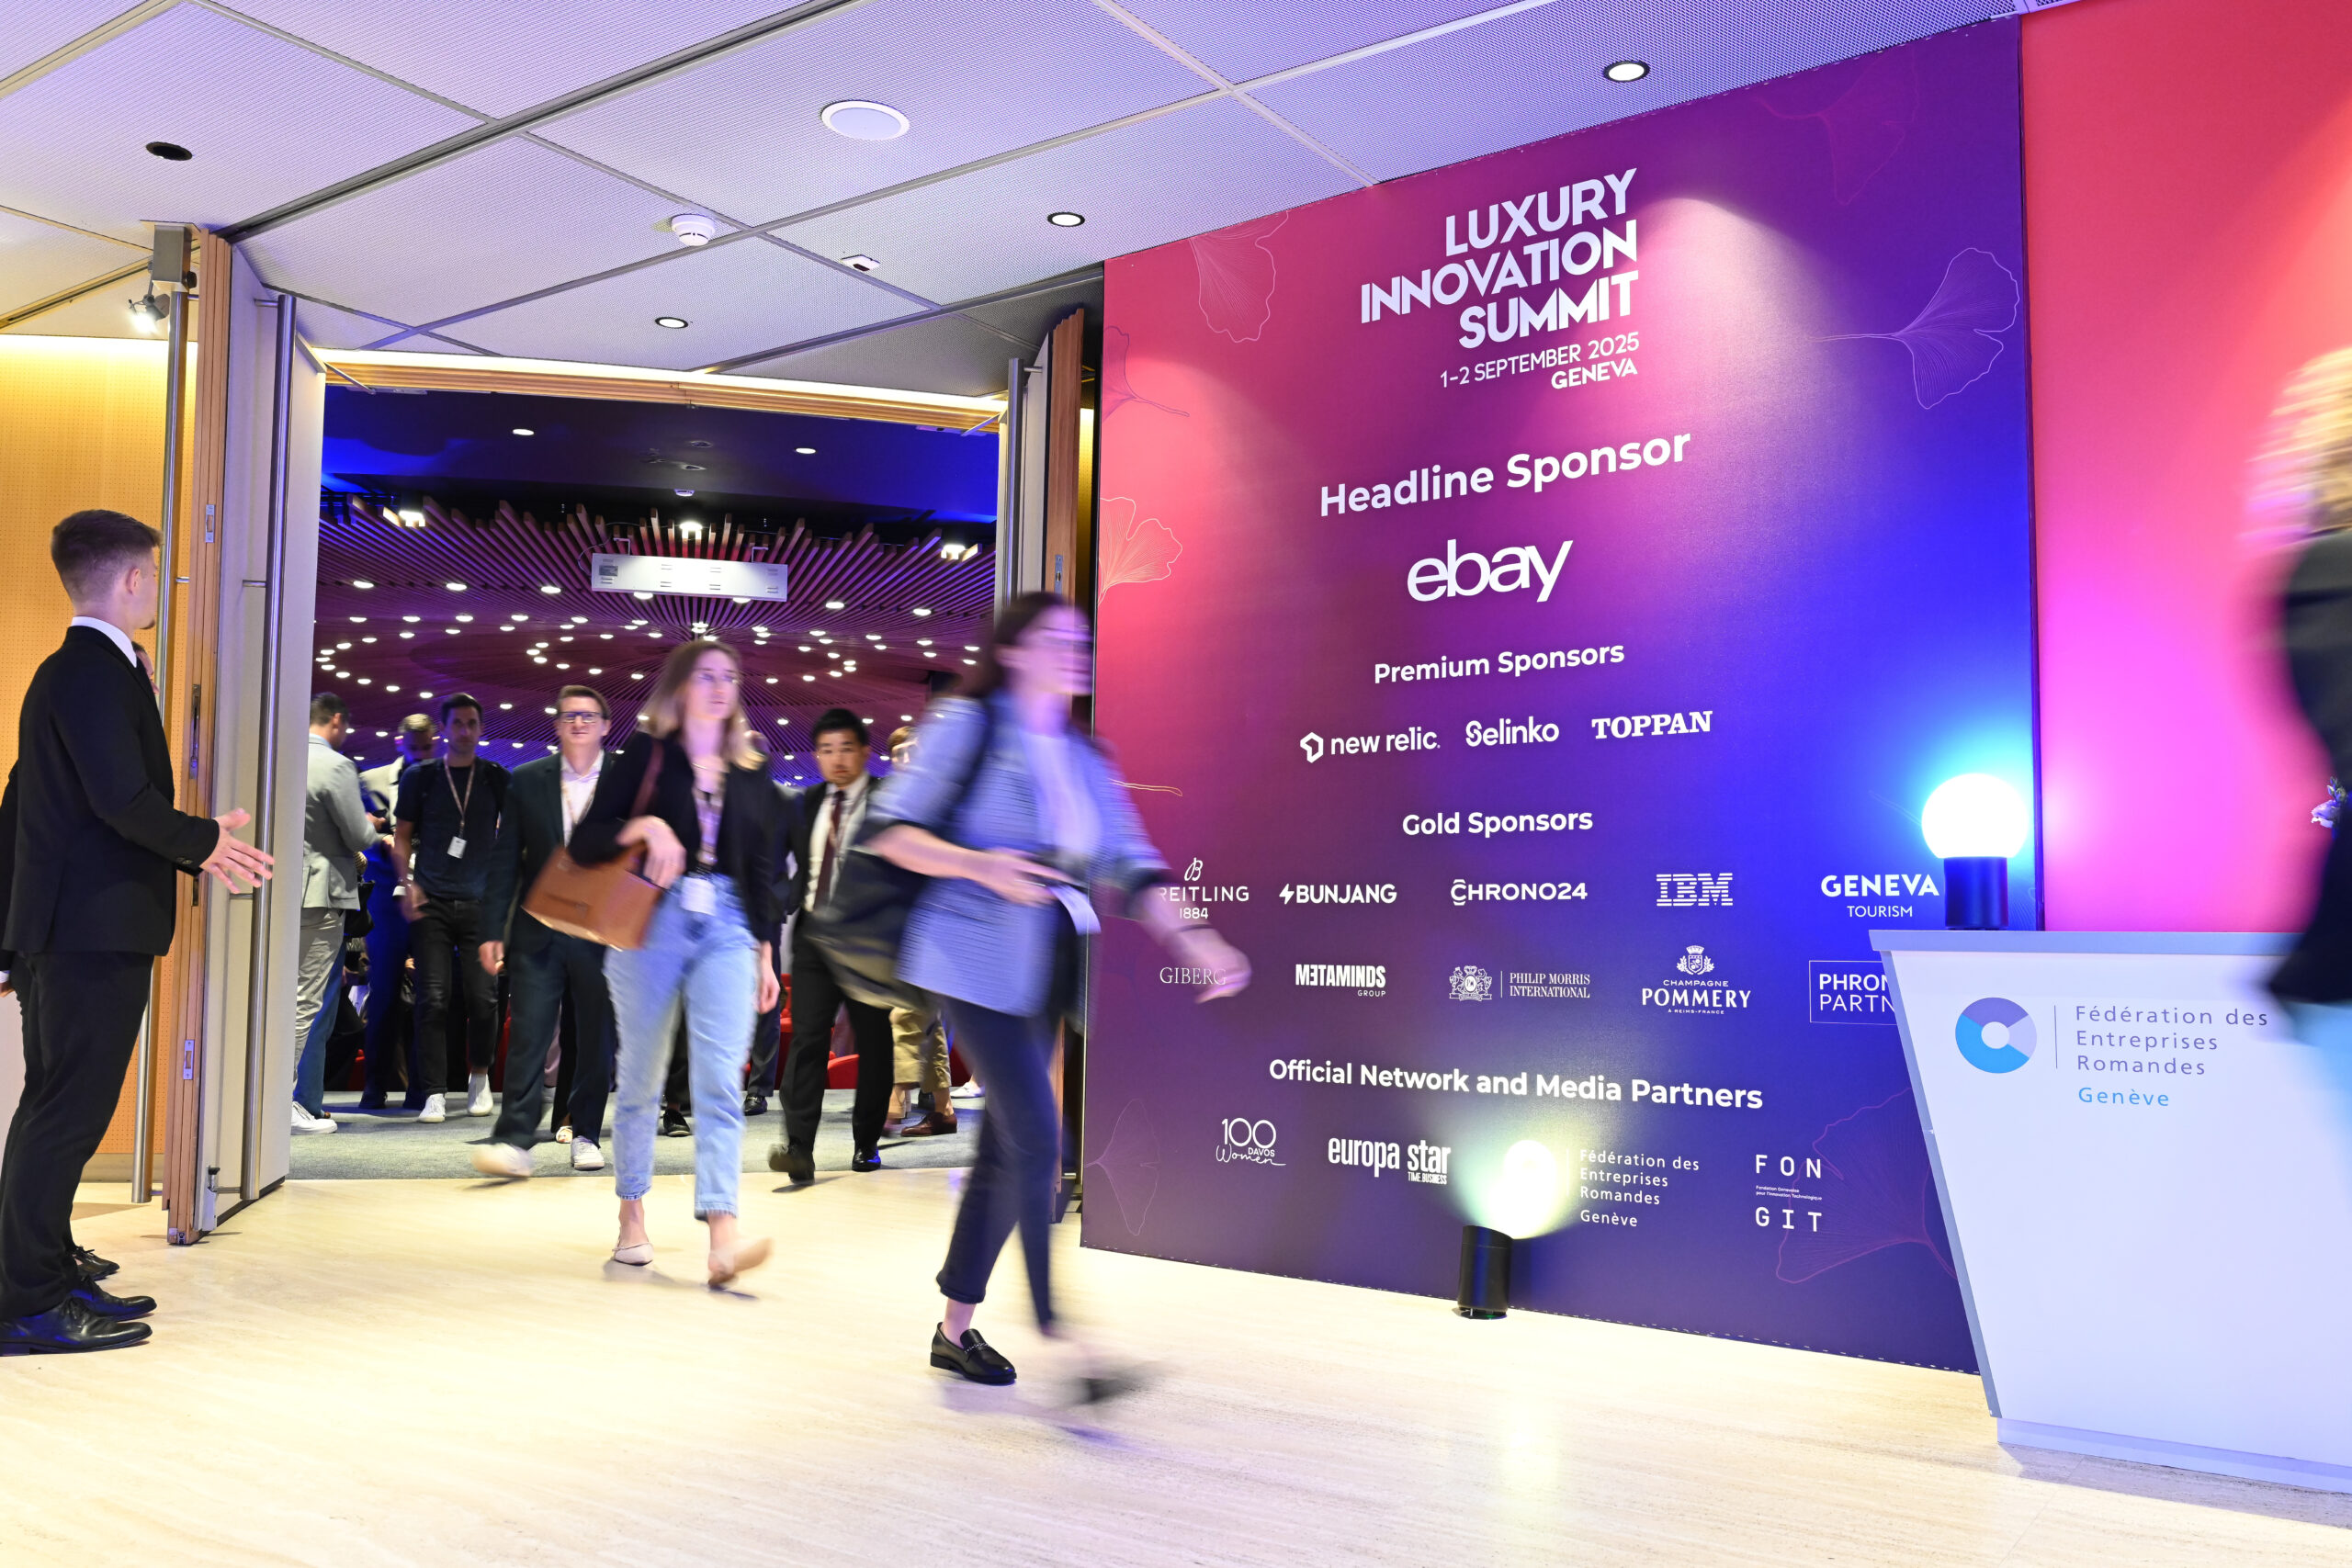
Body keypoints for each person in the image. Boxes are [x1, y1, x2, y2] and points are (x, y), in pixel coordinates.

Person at [865, 592, 1249, 1389]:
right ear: (1011, 650)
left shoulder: (1084, 755)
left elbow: (1132, 862)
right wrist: (980, 865)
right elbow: (890, 830)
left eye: (1082, 639)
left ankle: (953, 1330)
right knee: (1040, 1139)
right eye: (1055, 638)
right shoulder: (969, 724)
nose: (1075, 650)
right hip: (970, 956)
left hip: (1046, 966)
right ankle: (1065, 1336)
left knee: (1006, 1146)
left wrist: (1194, 937)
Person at [0, 509, 274, 1354]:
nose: (158, 586)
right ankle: (28, 1302)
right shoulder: (90, 672)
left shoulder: (85, 669)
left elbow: (32, 798)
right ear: (130, 578)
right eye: (154, 573)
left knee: (54, 1107)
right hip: (88, 929)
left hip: (73, 926)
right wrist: (207, 843)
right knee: (65, 1114)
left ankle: (43, 1271)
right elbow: (121, 799)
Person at [570, 639, 784, 1287]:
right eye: (706, 675)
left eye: (730, 677)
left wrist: (766, 952)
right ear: (681, 687)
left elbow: (762, 870)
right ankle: (631, 1215)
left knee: (720, 1078)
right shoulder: (647, 754)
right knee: (642, 1076)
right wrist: (646, 828)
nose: (720, 686)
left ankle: (723, 1233)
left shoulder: (750, 768)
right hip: (651, 918)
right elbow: (585, 841)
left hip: (729, 925)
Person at [474, 686, 619, 1177]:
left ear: (606, 726)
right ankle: (515, 1138)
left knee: (595, 1037)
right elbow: (504, 861)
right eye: (569, 715)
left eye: (589, 716)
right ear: (557, 725)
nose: (578, 722)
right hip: (538, 927)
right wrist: (492, 929)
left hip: (601, 932)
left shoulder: (625, 781)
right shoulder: (527, 779)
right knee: (529, 1033)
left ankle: (586, 1133)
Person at [769, 709, 896, 1181]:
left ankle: (867, 1142)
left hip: (869, 941)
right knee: (807, 1040)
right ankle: (798, 1148)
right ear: (816, 756)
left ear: (864, 751)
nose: (837, 759)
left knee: (874, 1042)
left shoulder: (887, 800)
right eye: (826, 750)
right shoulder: (807, 802)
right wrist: (780, 898)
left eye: (845, 748)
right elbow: (781, 859)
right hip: (814, 938)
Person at [392, 694, 509, 1123]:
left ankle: (479, 1076)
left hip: (481, 903)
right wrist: (406, 883)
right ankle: (434, 1092)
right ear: (444, 729)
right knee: (433, 998)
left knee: (483, 997)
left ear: (481, 729)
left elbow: (513, 837)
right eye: (457, 723)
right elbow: (402, 836)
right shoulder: (421, 777)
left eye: (471, 723)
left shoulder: (495, 777)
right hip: (431, 902)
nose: (464, 730)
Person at [293, 693, 374, 1134]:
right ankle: (288, 1103)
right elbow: (358, 834)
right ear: (337, 721)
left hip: (277, 892)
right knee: (306, 1001)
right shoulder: (336, 765)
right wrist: (373, 831)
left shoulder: (280, 756)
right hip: (320, 894)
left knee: (277, 998)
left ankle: (274, 1099)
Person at [356, 715, 435, 1111]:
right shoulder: (369, 780)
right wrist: (380, 839)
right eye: (414, 747)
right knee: (384, 994)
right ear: (400, 742)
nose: (420, 754)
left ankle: (421, 1089)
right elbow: (354, 832)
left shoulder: (444, 780)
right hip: (386, 900)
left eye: (426, 747)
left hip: (429, 898)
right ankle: (375, 1087)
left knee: (428, 997)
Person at [882, 726, 956, 1137]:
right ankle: (943, 1110)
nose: (906, 758)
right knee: (930, 1019)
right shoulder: (894, 802)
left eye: (914, 750)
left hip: (938, 921)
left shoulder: (940, 799)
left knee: (906, 1010)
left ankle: (895, 1100)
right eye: (898, 753)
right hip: (901, 923)